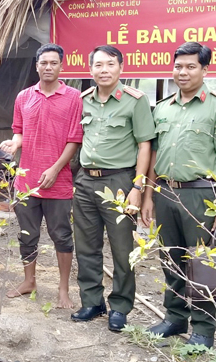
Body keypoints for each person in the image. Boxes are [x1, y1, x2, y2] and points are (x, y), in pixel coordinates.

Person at [142, 41, 216, 349]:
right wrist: (148, 196)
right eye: (178, 66)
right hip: (166, 194)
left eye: (190, 66)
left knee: (201, 263)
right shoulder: (162, 108)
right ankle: (174, 317)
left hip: (200, 196)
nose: (182, 72)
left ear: (204, 69)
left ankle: (203, 329)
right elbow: (154, 157)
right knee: (170, 258)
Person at [71, 45, 156, 331]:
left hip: (119, 181)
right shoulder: (83, 100)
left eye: (109, 64)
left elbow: (145, 145)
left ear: (121, 67)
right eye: (98, 65)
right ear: (90, 69)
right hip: (85, 181)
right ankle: (92, 301)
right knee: (86, 246)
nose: (103, 70)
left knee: (122, 249)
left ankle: (119, 306)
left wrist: (138, 187)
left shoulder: (135, 101)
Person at [0, 43, 83, 309]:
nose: (48, 67)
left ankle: (63, 290)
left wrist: (56, 168)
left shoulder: (73, 98)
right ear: (37, 66)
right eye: (43, 63)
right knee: (27, 234)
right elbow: (19, 130)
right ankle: (29, 281)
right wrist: (15, 144)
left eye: (53, 63)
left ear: (61, 66)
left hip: (58, 182)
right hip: (26, 180)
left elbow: (74, 139)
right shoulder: (24, 96)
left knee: (62, 235)